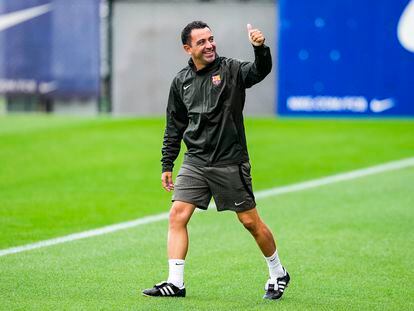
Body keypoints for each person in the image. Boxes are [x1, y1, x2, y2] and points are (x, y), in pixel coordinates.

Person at [142, 21, 290, 300]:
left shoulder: (231, 70)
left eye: (211, 39)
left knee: (250, 222)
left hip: (229, 161)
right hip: (195, 161)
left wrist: (260, 49)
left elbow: (259, 71)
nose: (209, 45)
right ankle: (176, 283)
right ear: (188, 48)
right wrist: (167, 164)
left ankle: (278, 272)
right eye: (202, 42)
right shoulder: (181, 81)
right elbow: (174, 126)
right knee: (178, 215)